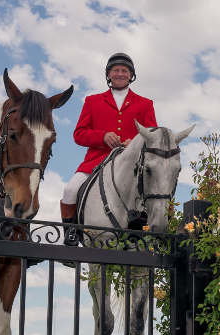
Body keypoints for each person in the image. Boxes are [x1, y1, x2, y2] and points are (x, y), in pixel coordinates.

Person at [60, 53, 157, 240]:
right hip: (96, 161)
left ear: (131, 75)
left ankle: (150, 235)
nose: (120, 74)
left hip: (132, 165)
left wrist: (135, 143)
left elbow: (151, 136)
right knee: (69, 190)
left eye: (124, 71)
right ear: (109, 74)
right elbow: (78, 134)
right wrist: (102, 136)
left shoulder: (146, 104)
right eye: (116, 70)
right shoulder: (92, 101)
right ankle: (70, 235)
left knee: (155, 192)